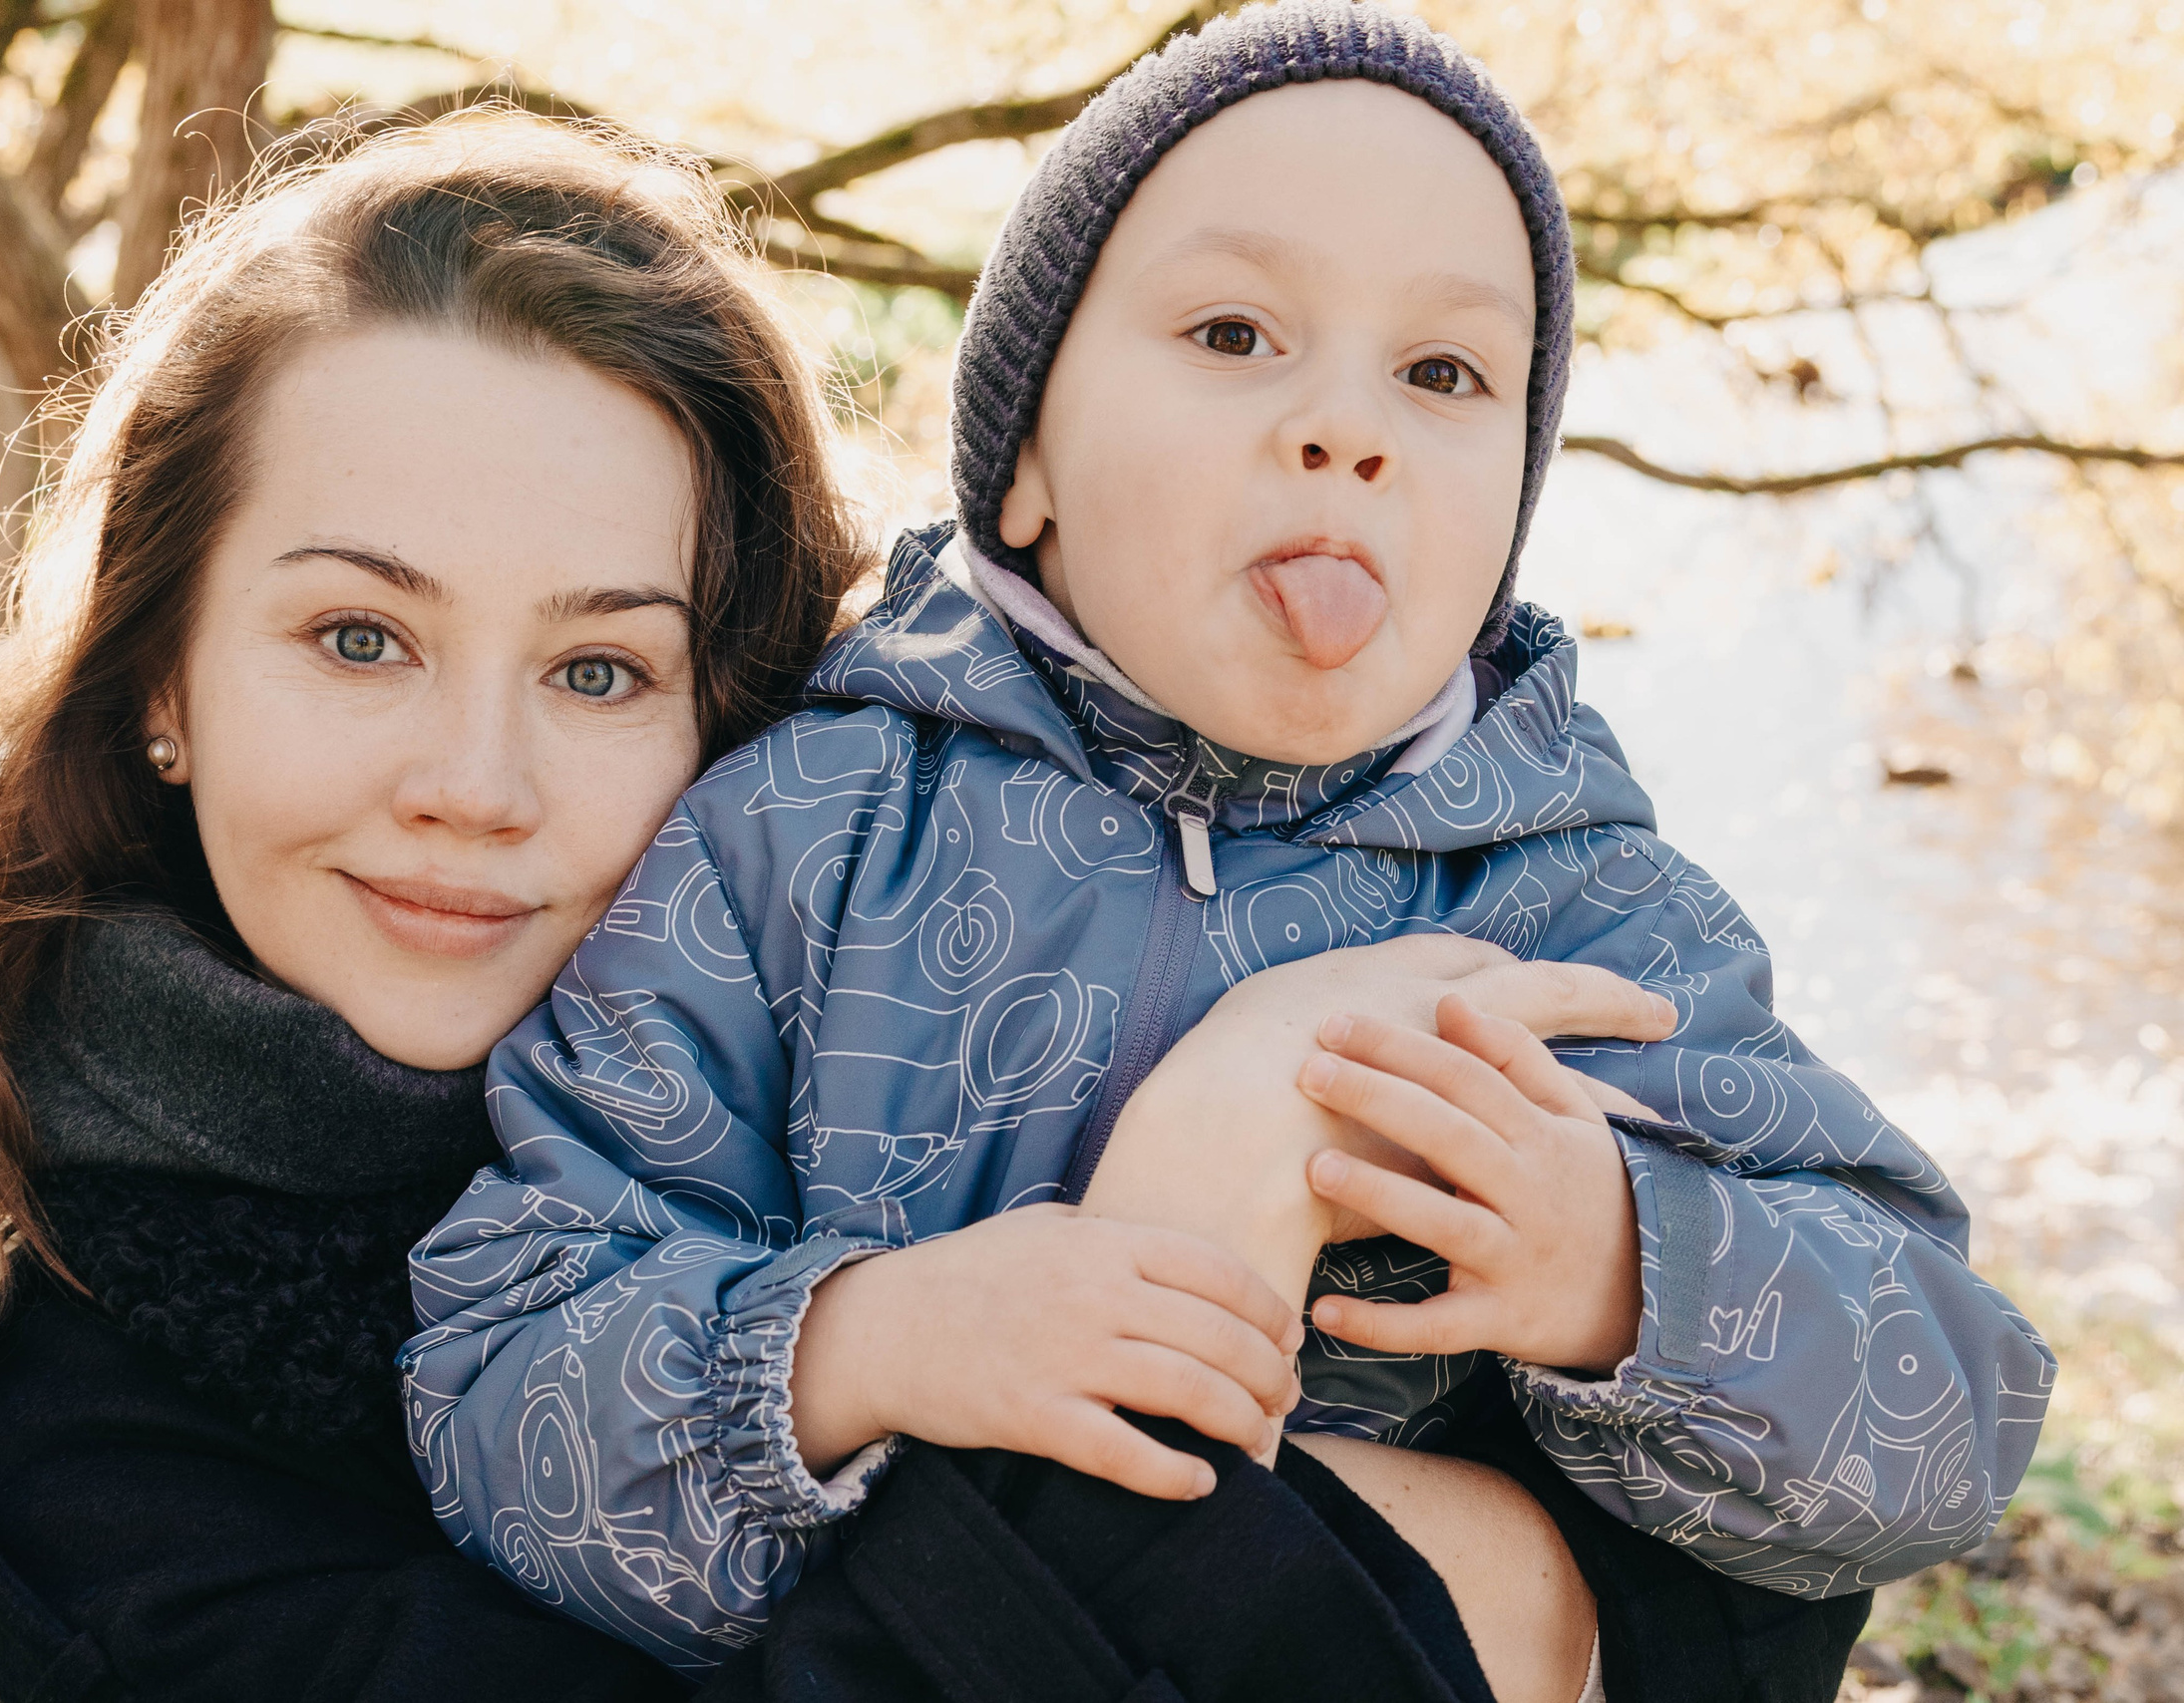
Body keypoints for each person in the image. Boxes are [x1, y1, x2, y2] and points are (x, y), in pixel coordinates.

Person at [0, 109, 1738, 1703]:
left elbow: (1736, 1591)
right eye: (358, 634)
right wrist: (1189, 1224)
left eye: (601, 668)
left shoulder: (940, 1002)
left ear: (742, 708)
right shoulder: (78, 1425)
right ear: (161, 681)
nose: (474, 780)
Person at [402, 1, 2057, 1687]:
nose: (1350, 430)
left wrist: (1620, 1263)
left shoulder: (1586, 917)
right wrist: (864, 1348)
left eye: (1443, 373)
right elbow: (491, 1384)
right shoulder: (800, 838)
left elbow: (1949, 1429)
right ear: (1026, 456)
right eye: (1234, 332)